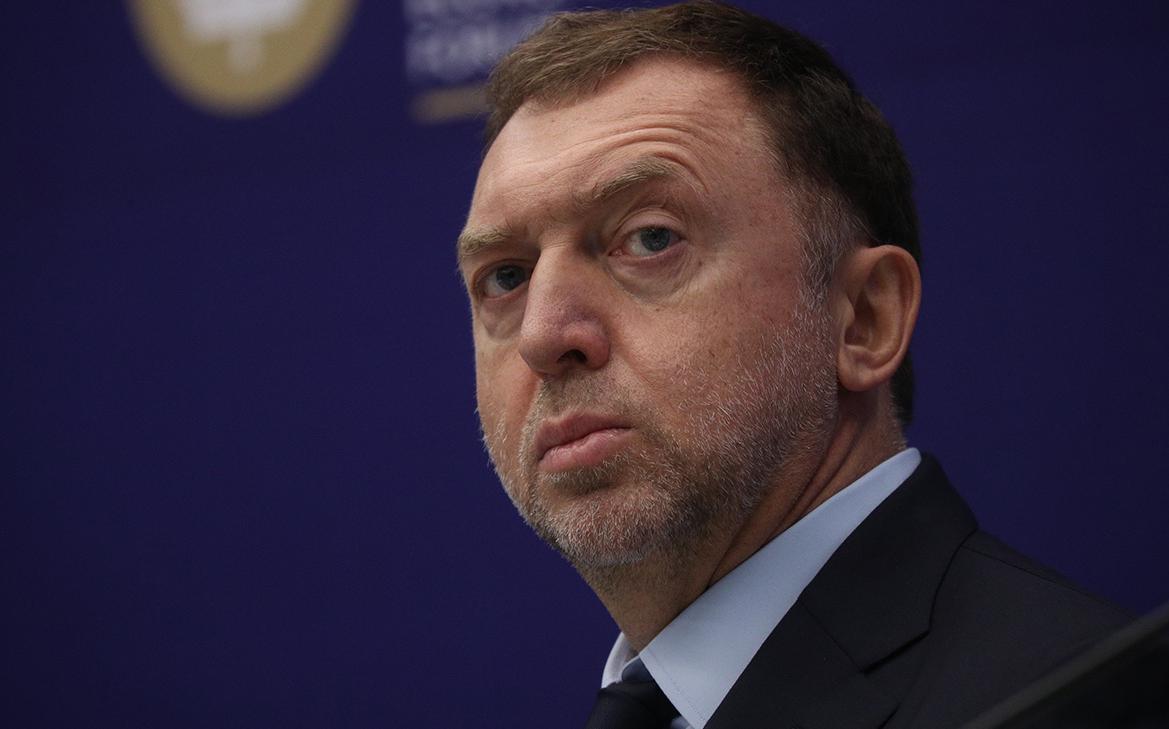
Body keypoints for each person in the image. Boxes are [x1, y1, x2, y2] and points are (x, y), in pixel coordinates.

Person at [455, 2, 1128, 727]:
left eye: (650, 238)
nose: (542, 335)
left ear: (863, 317)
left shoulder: (1088, 705)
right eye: (505, 277)